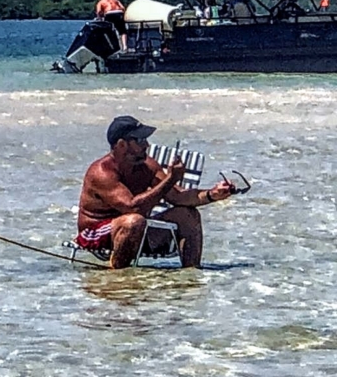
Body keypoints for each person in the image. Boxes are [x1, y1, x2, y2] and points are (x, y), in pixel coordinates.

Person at [77, 115, 236, 268]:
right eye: (140, 140)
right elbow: (132, 207)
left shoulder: (147, 165)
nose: (146, 145)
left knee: (188, 215)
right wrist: (171, 179)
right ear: (121, 145)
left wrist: (212, 194)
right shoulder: (102, 172)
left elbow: (177, 196)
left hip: (136, 228)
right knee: (134, 221)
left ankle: (191, 275)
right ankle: (118, 276)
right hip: (95, 233)